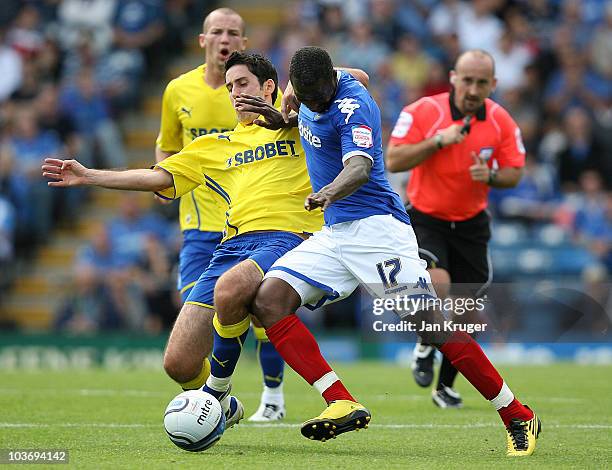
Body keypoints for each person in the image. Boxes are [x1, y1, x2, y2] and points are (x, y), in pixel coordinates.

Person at [239, 46, 539, 456]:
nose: (314, 103)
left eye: (317, 95)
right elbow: (357, 72)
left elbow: (360, 168)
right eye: (305, 97)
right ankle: (340, 401)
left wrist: (326, 192)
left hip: (378, 229)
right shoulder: (313, 89)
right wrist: (287, 117)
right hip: (337, 232)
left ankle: (517, 413)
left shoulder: (352, 105)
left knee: (432, 327)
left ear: (331, 79)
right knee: (269, 300)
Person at [41, 51, 332, 429]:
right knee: (177, 363)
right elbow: (155, 178)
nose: (234, 93)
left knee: (234, 288)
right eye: (229, 87)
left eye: (242, 83)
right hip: (232, 245)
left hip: (288, 236)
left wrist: (291, 98)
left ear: (269, 86)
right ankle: (224, 410)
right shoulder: (215, 146)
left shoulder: (302, 121)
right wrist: (88, 175)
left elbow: (355, 78)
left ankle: (217, 392)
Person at [154, 7, 287, 421]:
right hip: (199, 224)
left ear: (243, 43)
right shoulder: (179, 90)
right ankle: (219, 405)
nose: (224, 38)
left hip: (254, 221)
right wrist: (163, 177)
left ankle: (273, 396)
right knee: (197, 326)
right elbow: (167, 144)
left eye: (233, 32)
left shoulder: (259, 92)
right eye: (217, 32)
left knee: (259, 314)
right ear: (203, 40)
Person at [385, 49, 525, 409]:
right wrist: (438, 142)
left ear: (493, 84)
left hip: (471, 223)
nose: (473, 89)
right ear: (452, 77)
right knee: (440, 283)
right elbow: (393, 158)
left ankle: (444, 387)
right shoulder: (424, 112)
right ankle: (423, 342)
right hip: (425, 215)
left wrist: (491, 176)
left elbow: (515, 172)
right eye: (467, 80)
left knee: (466, 310)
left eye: (482, 82)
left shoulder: (501, 121)